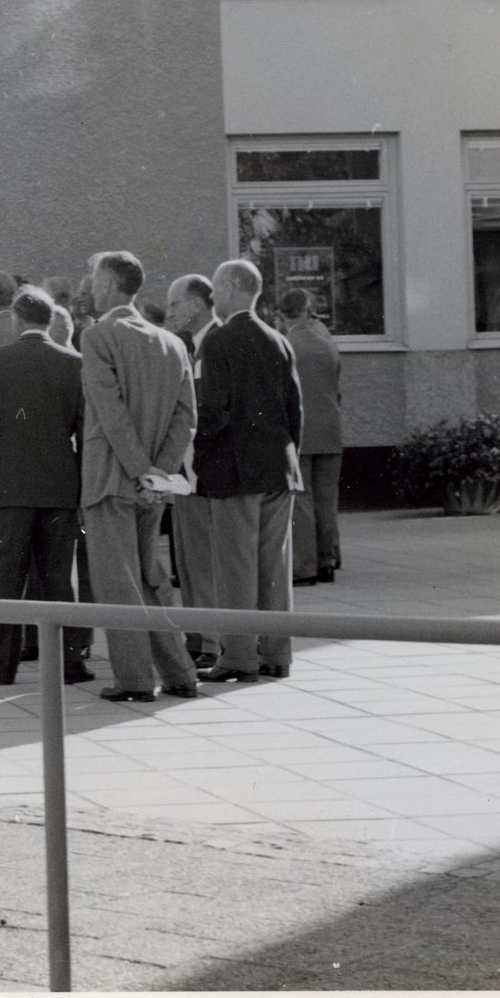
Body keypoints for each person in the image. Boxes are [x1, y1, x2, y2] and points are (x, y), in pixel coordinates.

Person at [78, 253, 200, 703]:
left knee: (119, 583)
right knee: (149, 580)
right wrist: (158, 475)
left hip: (111, 480)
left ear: (109, 283)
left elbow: (110, 415)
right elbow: (187, 419)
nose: (89, 287)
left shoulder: (98, 336)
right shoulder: (171, 343)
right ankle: (179, 673)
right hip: (153, 486)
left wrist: (140, 471)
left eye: (94, 279)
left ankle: (133, 680)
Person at [0, 287, 88, 685]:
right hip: (59, 489)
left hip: (7, 490)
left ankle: (0, 667)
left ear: (16, 320)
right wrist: (81, 491)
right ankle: (69, 664)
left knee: (7, 583)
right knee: (57, 581)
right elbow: (85, 435)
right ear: (50, 321)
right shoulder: (75, 362)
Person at [195, 261, 303, 684]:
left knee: (236, 566)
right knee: (274, 567)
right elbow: (295, 409)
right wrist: (289, 456)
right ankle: (277, 654)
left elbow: (213, 409)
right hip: (279, 467)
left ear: (229, 287)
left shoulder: (219, 340)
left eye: (217, 290)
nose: (213, 299)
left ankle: (239, 656)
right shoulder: (279, 339)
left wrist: (200, 455)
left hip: (235, 470)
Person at [162, 273, 219, 662]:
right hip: (187, 473)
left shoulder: (215, 345)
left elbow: (208, 413)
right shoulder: (196, 346)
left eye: (175, 304)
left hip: (203, 474)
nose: (171, 312)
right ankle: (199, 638)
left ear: (196, 304)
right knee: (188, 560)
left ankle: (211, 643)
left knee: (203, 562)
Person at [280, 288, 343, 586]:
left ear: (283, 315)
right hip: (331, 428)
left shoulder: (286, 345)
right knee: (327, 498)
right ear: (309, 310)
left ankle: (305, 567)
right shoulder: (327, 342)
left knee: (302, 499)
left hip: (301, 431)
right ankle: (328, 560)